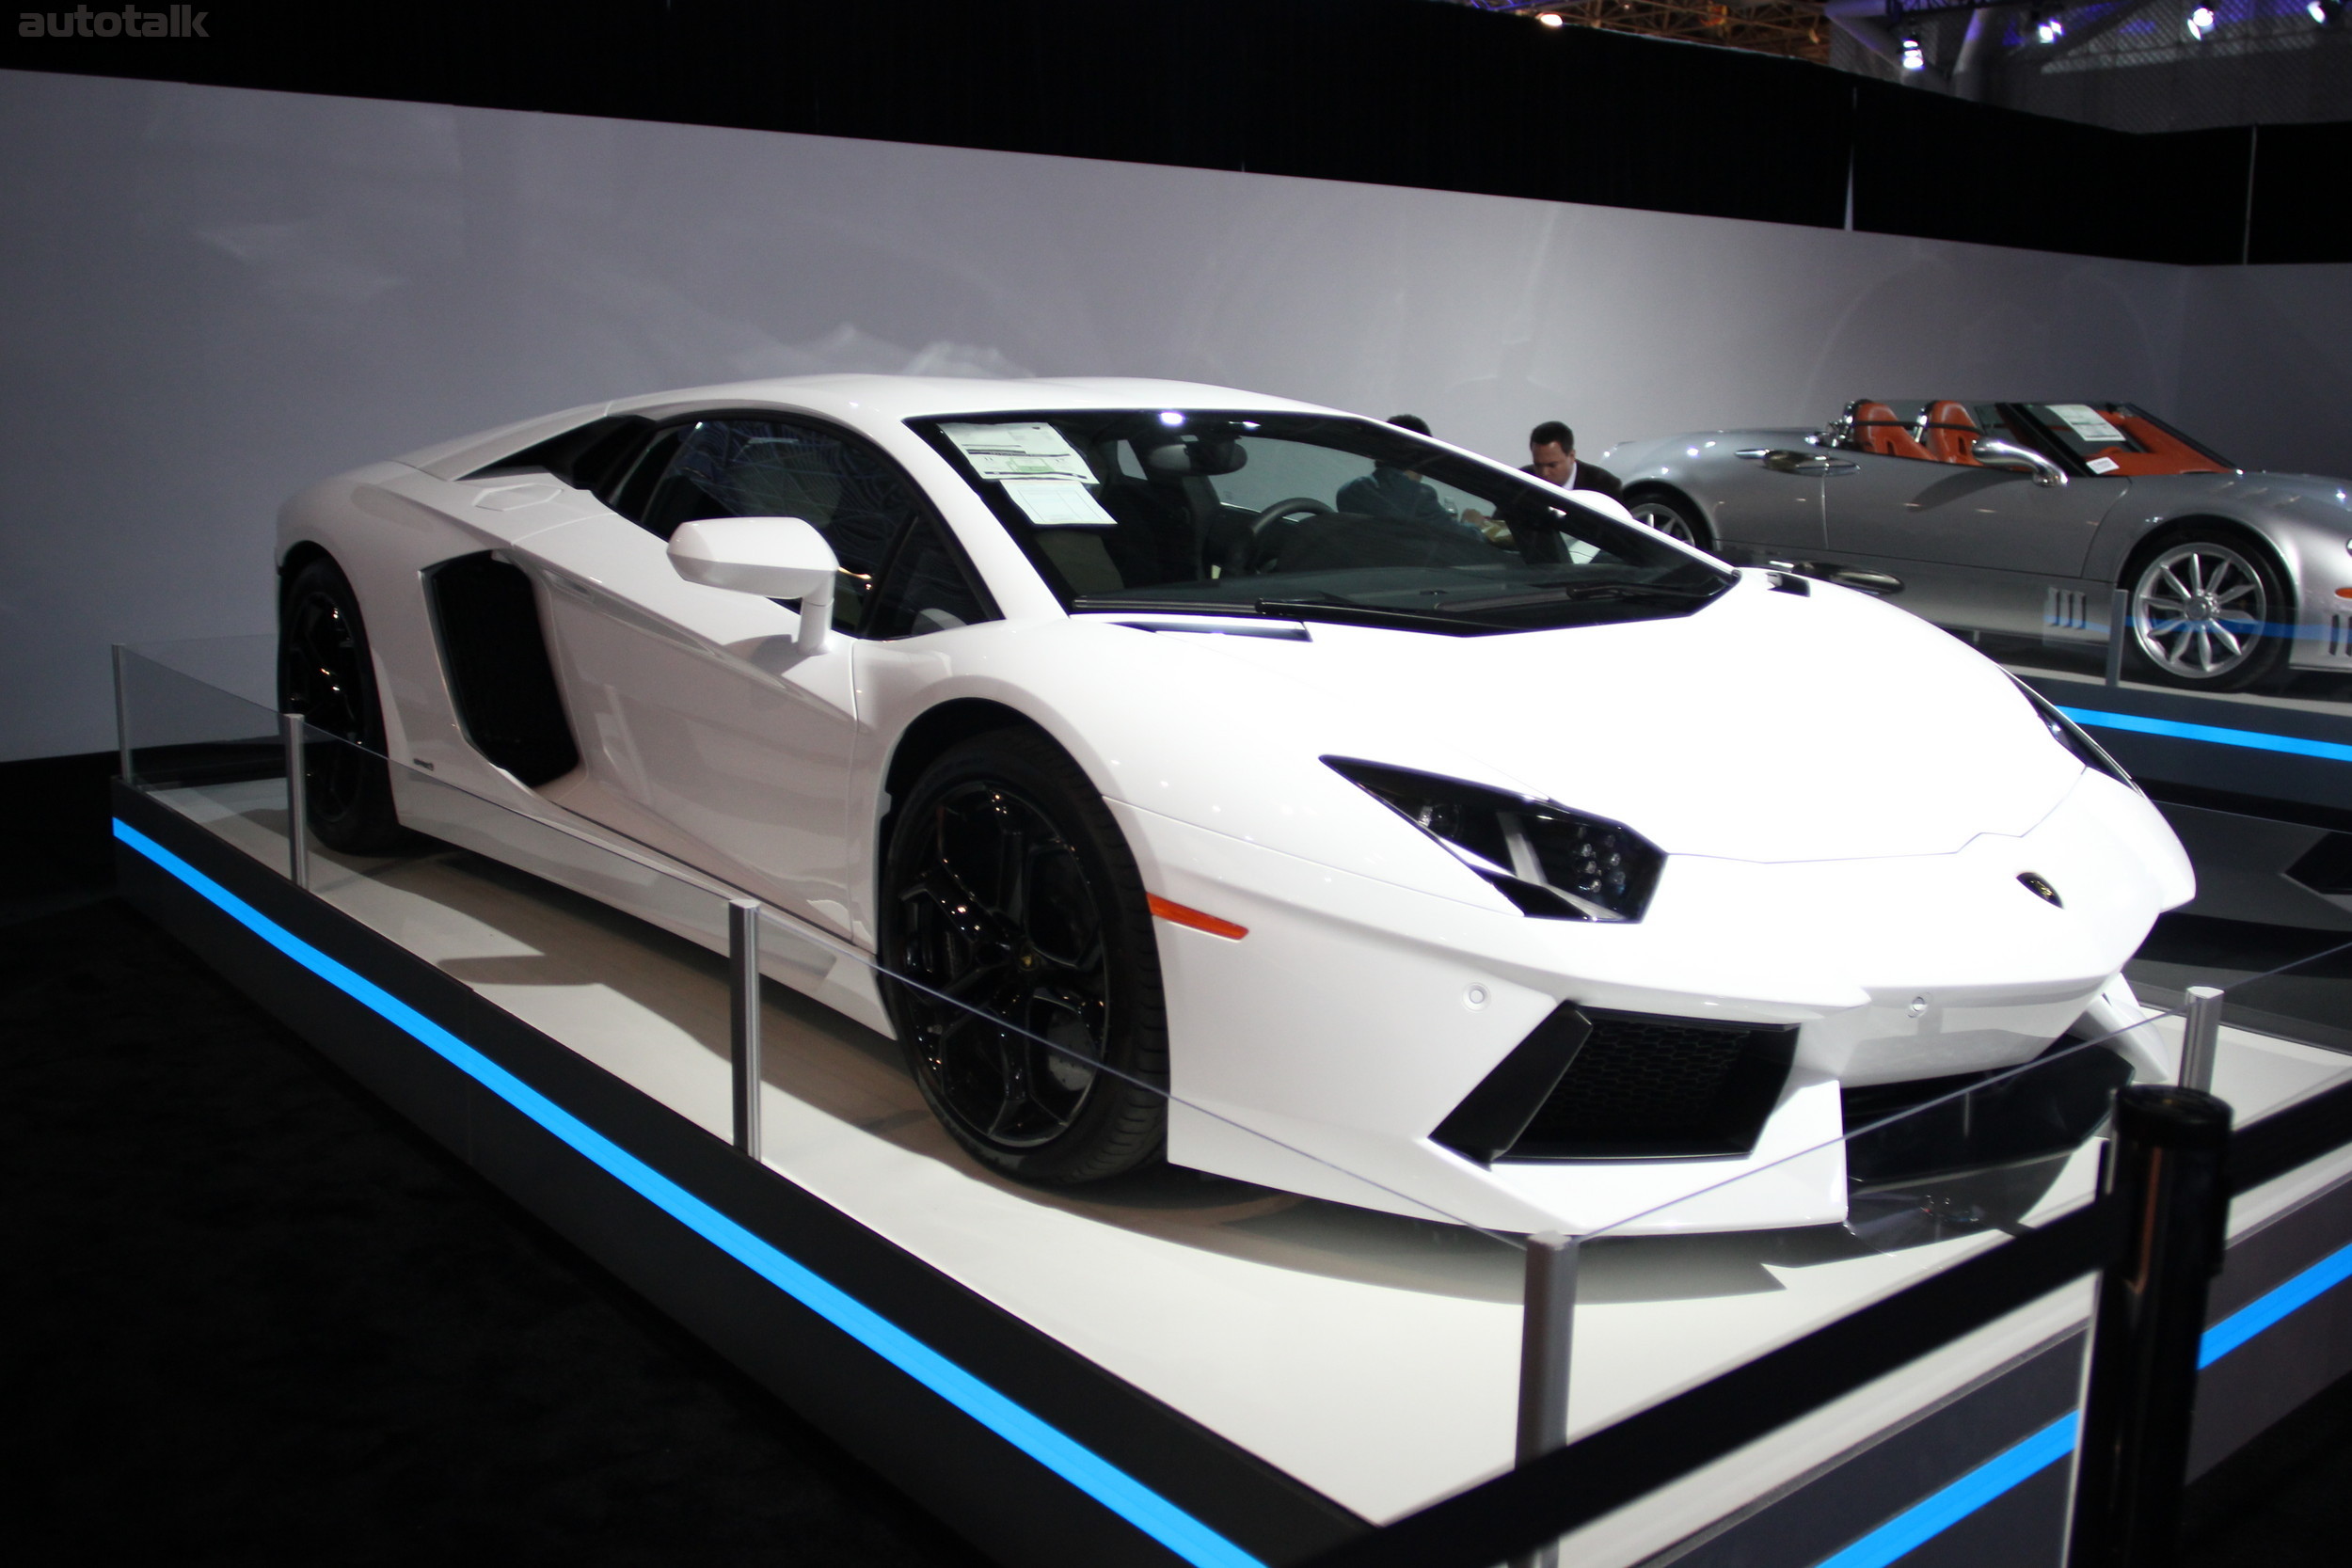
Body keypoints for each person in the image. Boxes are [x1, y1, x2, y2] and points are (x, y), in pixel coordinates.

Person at [1335, 414, 1461, 531]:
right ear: (1422, 456)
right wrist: (1470, 522)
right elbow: (1457, 534)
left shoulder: (1350, 491)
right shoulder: (1418, 497)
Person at [1524, 420, 1622, 502]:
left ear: (1571, 456)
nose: (1544, 473)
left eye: (1552, 465)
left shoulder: (1605, 487)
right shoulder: (1521, 483)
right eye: (1538, 465)